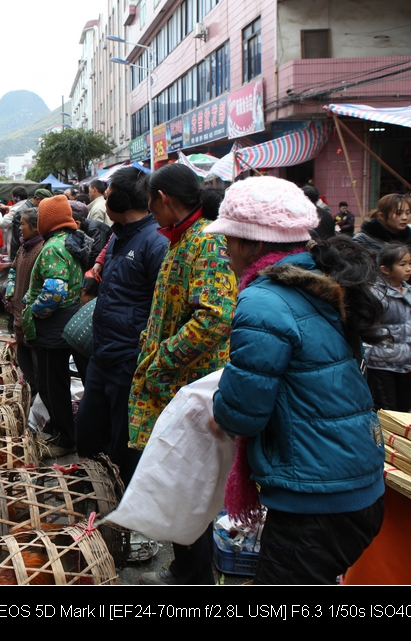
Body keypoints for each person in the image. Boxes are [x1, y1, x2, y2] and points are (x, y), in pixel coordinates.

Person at [209, 176, 385, 585]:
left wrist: (217, 406)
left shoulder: (263, 299)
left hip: (316, 501)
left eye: (229, 240)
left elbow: (242, 414)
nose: (225, 251)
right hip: (353, 483)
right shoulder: (317, 282)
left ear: (251, 243)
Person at [130, 163, 236, 585]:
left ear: (163, 200)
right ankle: (183, 568)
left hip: (191, 388)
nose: (151, 214)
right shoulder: (181, 240)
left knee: (190, 485)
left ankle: (195, 578)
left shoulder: (205, 243)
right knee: (179, 482)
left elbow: (215, 317)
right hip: (172, 384)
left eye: (151, 205)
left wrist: (163, 358)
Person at [74, 168, 167, 481]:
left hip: (129, 358)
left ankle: (121, 505)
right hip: (104, 353)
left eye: (110, 194)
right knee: (87, 430)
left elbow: (162, 304)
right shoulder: (118, 234)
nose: (104, 197)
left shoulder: (154, 242)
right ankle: (98, 490)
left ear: (124, 201)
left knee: (123, 442)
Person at [20, 194, 85, 458]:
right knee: (54, 383)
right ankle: (63, 432)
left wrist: (34, 312)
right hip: (64, 322)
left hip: (53, 327)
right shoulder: (68, 241)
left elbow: (54, 291)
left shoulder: (54, 247)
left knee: (51, 384)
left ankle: (65, 438)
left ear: (48, 220)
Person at [365, 243, 411, 411]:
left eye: (410, 264)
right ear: (385, 269)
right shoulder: (375, 294)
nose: (408, 269)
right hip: (380, 362)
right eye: (402, 264)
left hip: (404, 361)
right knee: (386, 408)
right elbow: (367, 327)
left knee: (404, 406)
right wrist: (370, 352)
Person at [353, 193, 411, 310]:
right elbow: (358, 278)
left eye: (408, 213)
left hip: (406, 304)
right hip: (375, 305)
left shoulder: (410, 240)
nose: (405, 217)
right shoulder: (362, 240)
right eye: (398, 213)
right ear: (382, 216)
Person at [6, 206, 44, 390]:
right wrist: (10, 292)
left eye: (23, 224)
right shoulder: (23, 246)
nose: (20, 228)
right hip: (19, 314)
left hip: (32, 319)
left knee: (37, 365)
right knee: (25, 363)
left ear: (36, 227)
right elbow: (13, 270)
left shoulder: (43, 248)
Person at [0, 186, 35, 259]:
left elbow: (1, 223)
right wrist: (7, 207)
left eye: (12, 197)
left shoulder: (16, 210)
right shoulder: (28, 205)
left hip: (17, 247)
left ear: (16, 197)